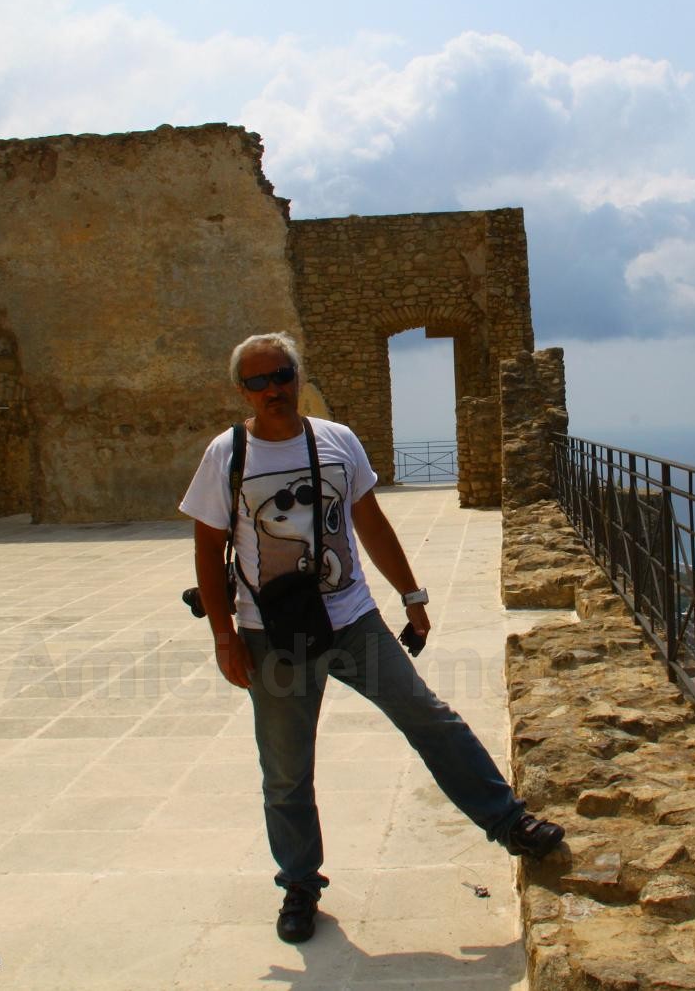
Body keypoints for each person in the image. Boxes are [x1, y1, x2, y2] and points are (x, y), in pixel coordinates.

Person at [180, 332, 565, 944]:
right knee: (286, 769)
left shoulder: (337, 441)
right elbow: (206, 547)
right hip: (271, 635)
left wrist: (412, 597)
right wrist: (224, 638)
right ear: (241, 391)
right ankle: (300, 884)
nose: (272, 389)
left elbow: (370, 523)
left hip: (352, 620)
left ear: (297, 375)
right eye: (258, 381)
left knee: (430, 717)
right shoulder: (226, 457)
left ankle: (509, 822)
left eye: (281, 374)